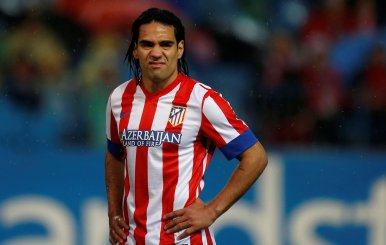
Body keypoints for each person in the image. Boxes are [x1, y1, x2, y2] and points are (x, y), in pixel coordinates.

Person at [105, 8, 268, 245]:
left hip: (183, 240)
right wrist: (114, 212)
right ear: (135, 50)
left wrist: (212, 210)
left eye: (166, 44)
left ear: (180, 49)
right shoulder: (119, 98)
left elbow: (256, 156)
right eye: (147, 44)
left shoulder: (201, 100)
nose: (156, 52)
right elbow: (114, 155)